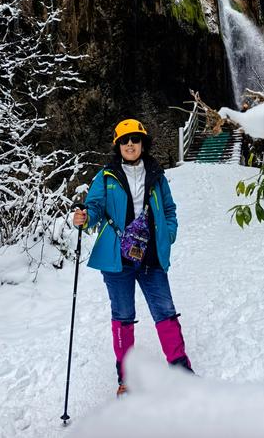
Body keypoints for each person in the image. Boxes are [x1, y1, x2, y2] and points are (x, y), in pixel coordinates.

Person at [72, 118, 193, 396]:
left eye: (135, 139)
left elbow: (170, 209)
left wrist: (168, 234)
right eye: (124, 140)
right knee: (123, 316)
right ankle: (125, 377)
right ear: (118, 145)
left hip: (151, 256)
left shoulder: (157, 175)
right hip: (118, 259)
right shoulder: (106, 176)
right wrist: (84, 217)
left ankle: (180, 368)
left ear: (143, 143)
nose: (130, 144)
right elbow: (94, 208)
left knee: (165, 311)